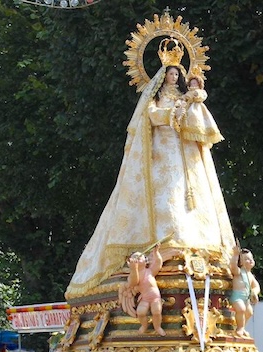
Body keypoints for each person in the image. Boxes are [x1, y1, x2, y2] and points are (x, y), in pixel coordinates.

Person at [65, 40, 235, 299]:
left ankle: (190, 241)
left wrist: (192, 101)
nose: (174, 77)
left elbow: (197, 118)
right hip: (160, 151)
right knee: (164, 194)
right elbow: (152, 115)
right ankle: (159, 242)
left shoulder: (184, 97)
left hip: (184, 153)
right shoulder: (156, 98)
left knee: (188, 194)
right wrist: (170, 115)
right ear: (162, 76)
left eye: (177, 74)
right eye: (170, 73)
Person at [228, 244, 261, 337]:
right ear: (241, 262)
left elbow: (256, 286)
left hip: (246, 298)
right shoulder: (239, 272)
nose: (250, 260)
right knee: (241, 309)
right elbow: (233, 266)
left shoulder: (250, 275)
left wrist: (254, 292)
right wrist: (235, 255)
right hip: (237, 296)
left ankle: (242, 327)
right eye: (247, 259)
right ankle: (240, 328)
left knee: (249, 312)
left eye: (251, 258)